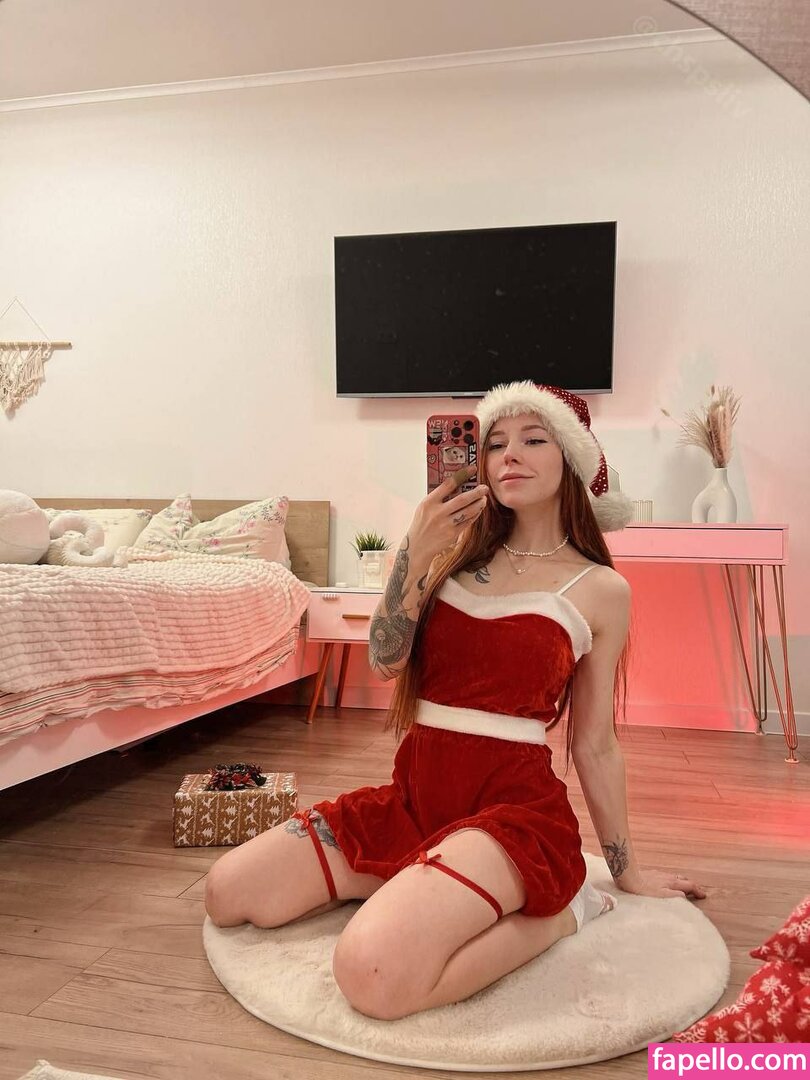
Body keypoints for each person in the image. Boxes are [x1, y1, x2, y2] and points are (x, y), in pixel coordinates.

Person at [205, 380, 706, 1022]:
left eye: (533, 439)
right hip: (414, 800)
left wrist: (625, 869)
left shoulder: (601, 589)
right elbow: (385, 660)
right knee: (230, 892)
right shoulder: (448, 555)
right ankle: (426, 886)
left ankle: (565, 912)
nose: (509, 455)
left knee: (372, 974)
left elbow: (595, 743)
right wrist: (415, 550)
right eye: (494, 444)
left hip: (513, 813)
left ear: (573, 461)